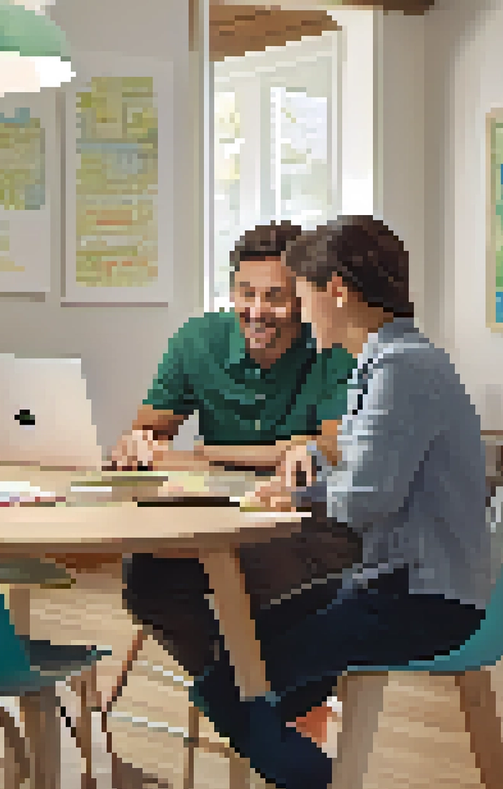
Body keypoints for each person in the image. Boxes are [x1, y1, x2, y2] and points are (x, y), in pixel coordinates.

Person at [222, 215, 491, 789]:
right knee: (240, 655)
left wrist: (300, 494)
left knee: (233, 686)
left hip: (420, 599)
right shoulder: (398, 358)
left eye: (301, 293)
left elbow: (368, 498)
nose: (298, 309)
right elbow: (377, 474)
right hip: (400, 585)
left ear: (336, 291)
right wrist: (312, 478)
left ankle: (319, 783)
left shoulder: (400, 368)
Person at [112, 222, 363, 748]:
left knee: (267, 571)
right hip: (215, 511)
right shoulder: (198, 340)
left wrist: (205, 453)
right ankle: (244, 697)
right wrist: (137, 444)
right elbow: (151, 428)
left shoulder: (331, 346)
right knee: (147, 580)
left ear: (302, 298)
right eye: (246, 292)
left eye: (275, 296)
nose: (257, 309)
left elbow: (332, 447)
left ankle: (290, 700)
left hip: (309, 516)